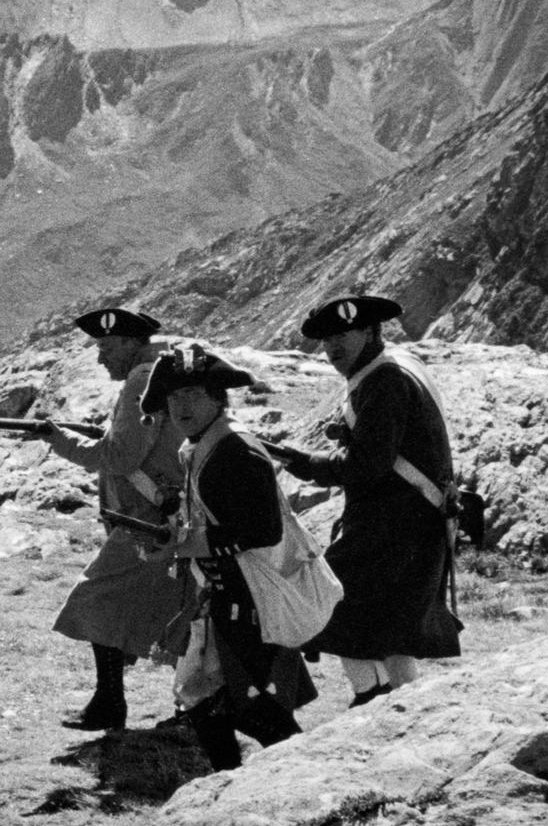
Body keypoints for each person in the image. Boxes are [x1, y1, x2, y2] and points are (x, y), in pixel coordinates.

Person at [272, 295, 461, 706]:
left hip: (396, 525)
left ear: (371, 331)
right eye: (326, 340)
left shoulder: (384, 380)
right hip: (404, 520)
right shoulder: (389, 369)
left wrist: (313, 464)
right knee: (388, 628)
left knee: (334, 602)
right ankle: (398, 705)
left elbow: (369, 464)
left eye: (342, 336)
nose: (332, 348)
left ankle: (375, 699)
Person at [140, 348, 314, 772]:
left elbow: (262, 531)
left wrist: (190, 544)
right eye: (174, 396)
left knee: (252, 709)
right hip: (225, 594)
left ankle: (301, 780)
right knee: (203, 698)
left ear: (218, 398)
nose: (181, 405)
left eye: (195, 394)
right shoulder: (204, 446)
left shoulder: (234, 451)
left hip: (251, 597)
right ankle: (232, 782)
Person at [36, 307, 186, 732]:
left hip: (148, 521)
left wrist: (59, 440)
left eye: (106, 347)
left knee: (97, 600)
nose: (100, 358)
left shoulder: (142, 379)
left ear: (130, 343)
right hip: (158, 517)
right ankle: (182, 707)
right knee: (172, 612)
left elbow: (119, 457)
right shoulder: (158, 370)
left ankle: (109, 704)